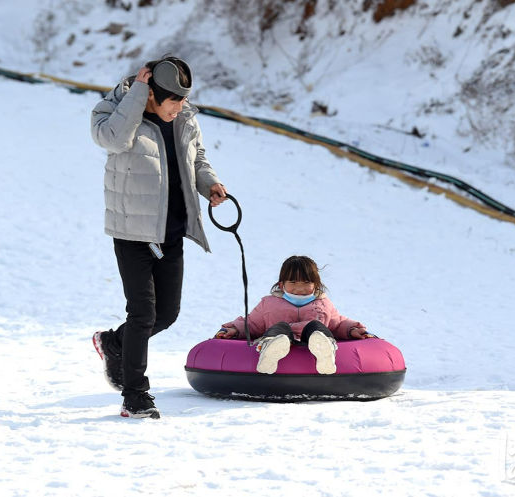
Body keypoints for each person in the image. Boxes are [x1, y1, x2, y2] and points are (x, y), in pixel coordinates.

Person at [90, 56, 227, 419]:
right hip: (133, 232)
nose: (182, 108)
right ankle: (135, 395)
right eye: (175, 101)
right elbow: (113, 140)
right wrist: (137, 94)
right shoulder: (117, 109)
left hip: (172, 231)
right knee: (143, 313)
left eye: (184, 100)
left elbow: (196, 157)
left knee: (166, 314)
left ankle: (113, 343)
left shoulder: (182, 118)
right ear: (152, 93)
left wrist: (209, 183)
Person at [216, 255, 371, 375]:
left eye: (306, 283)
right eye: (293, 283)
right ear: (282, 284)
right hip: (283, 337)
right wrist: (234, 329)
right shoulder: (269, 303)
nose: (300, 288)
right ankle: (271, 349)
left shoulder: (323, 304)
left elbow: (337, 323)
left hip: (311, 341)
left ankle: (325, 351)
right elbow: (251, 323)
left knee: (315, 327)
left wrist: (353, 329)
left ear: (316, 284)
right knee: (280, 328)